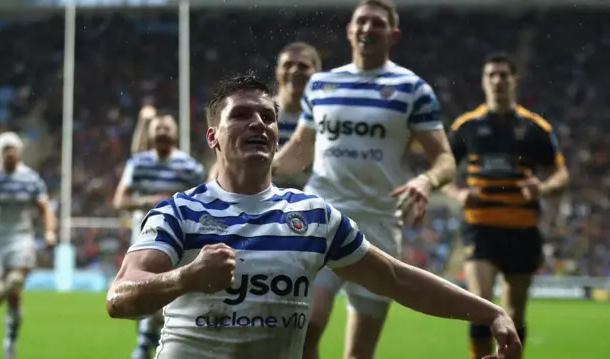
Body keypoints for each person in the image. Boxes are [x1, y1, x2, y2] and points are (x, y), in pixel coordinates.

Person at [106, 74, 521, 359]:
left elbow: (397, 279)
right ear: (212, 136)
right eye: (241, 115)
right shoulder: (179, 212)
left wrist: (491, 311)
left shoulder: (314, 217)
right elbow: (119, 298)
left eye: (267, 117)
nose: (258, 123)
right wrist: (186, 277)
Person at [271, 1, 457, 358]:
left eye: (377, 23)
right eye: (361, 21)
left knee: (359, 353)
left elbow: (445, 159)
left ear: (393, 34)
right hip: (323, 217)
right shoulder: (322, 85)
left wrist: (426, 181)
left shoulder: (412, 89)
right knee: (305, 329)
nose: (367, 28)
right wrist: (261, 170)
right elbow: (300, 150)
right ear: (349, 30)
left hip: (379, 225)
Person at [442, 53, 569, 359]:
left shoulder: (536, 128)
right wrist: (458, 194)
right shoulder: (467, 126)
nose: (498, 80)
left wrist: (543, 188)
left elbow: (561, 174)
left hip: (522, 229)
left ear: (515, 80)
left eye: (503, 75)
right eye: (491, 75)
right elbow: (441, 169)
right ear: (484, 82)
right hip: (480, 228)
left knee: (515, 315)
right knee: (481, 306)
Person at [113, 113, 206, 359]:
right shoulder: (139, 163)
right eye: (158, 128)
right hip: (143, 236)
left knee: (164, 295)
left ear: (175, 134)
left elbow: (203, 200)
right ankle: (147, 343)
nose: (163, 132)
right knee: (146, 293)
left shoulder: (189, 166)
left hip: (179, 238)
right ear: (151, 135)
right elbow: (120, 200)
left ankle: (146, 346)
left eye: (167, 128)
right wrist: (149, 201)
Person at [0, 132, 56, 359]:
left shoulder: (30, 179)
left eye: (13, 149)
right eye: (5, 150)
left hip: (21, 237)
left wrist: (49, 232)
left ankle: (10, 342)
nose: (10, 154)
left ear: (19, 152)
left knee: (15, 293)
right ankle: (10, 283)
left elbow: (45, 207)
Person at [207, 41, 322, 189]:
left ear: (317, 75)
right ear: (278, 71)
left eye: (303, 66)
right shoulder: (256, 112)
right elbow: (228, 158)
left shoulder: (323, 119)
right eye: (288, 65)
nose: (294, 70)